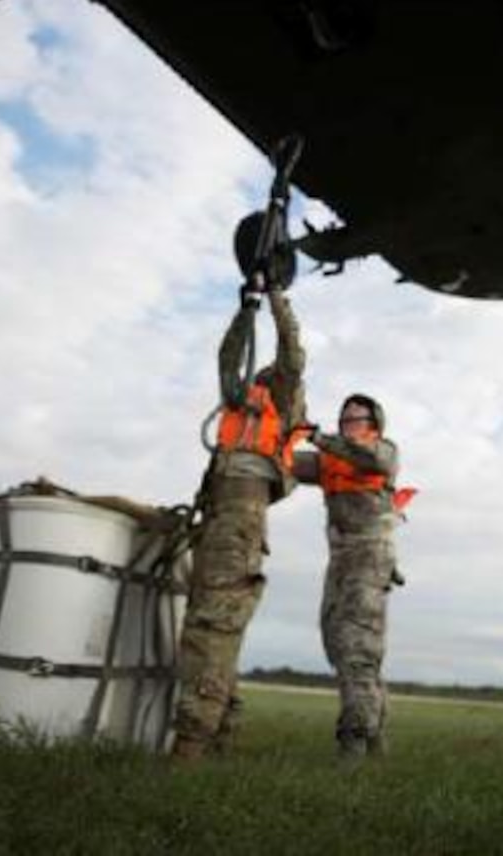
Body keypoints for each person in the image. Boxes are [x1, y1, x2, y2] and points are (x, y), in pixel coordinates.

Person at [171, 284, 306, 760]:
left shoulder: (285, 395)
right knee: (207, 623)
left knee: (212, 626)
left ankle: (190, 747)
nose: (261, 375)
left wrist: (275, 299)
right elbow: (230, 354)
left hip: (241, 512)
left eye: (268, 373)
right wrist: (244, 306)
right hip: (218, 509)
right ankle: (220, 738)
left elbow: (291, 351)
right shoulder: (239, 395)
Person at [294, 394, 402, 759]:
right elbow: (285, 464)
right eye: (345, 419)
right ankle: (374, 740)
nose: (350, 424)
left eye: (358, 419)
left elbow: (373, 460)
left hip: (370, 556)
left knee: (357, 649)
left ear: (375, 425)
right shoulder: (329, 460)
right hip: (340, 562)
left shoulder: (383, 450)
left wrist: (321, 438)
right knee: (339, 645)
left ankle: (353, 746)